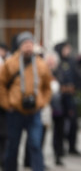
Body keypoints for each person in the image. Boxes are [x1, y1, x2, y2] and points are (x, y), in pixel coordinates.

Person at [0, 31, 52, 171]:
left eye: (30, 44)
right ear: (20, 46)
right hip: (15, 111)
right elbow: (1, 85)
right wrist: (6, 103)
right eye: (25, 44)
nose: (28, 47)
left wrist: (43, 102)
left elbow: (48, 86)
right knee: (13, 145)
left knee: (35, 144)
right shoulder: (10, 63)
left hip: (34, 111)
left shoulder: (41, 64)